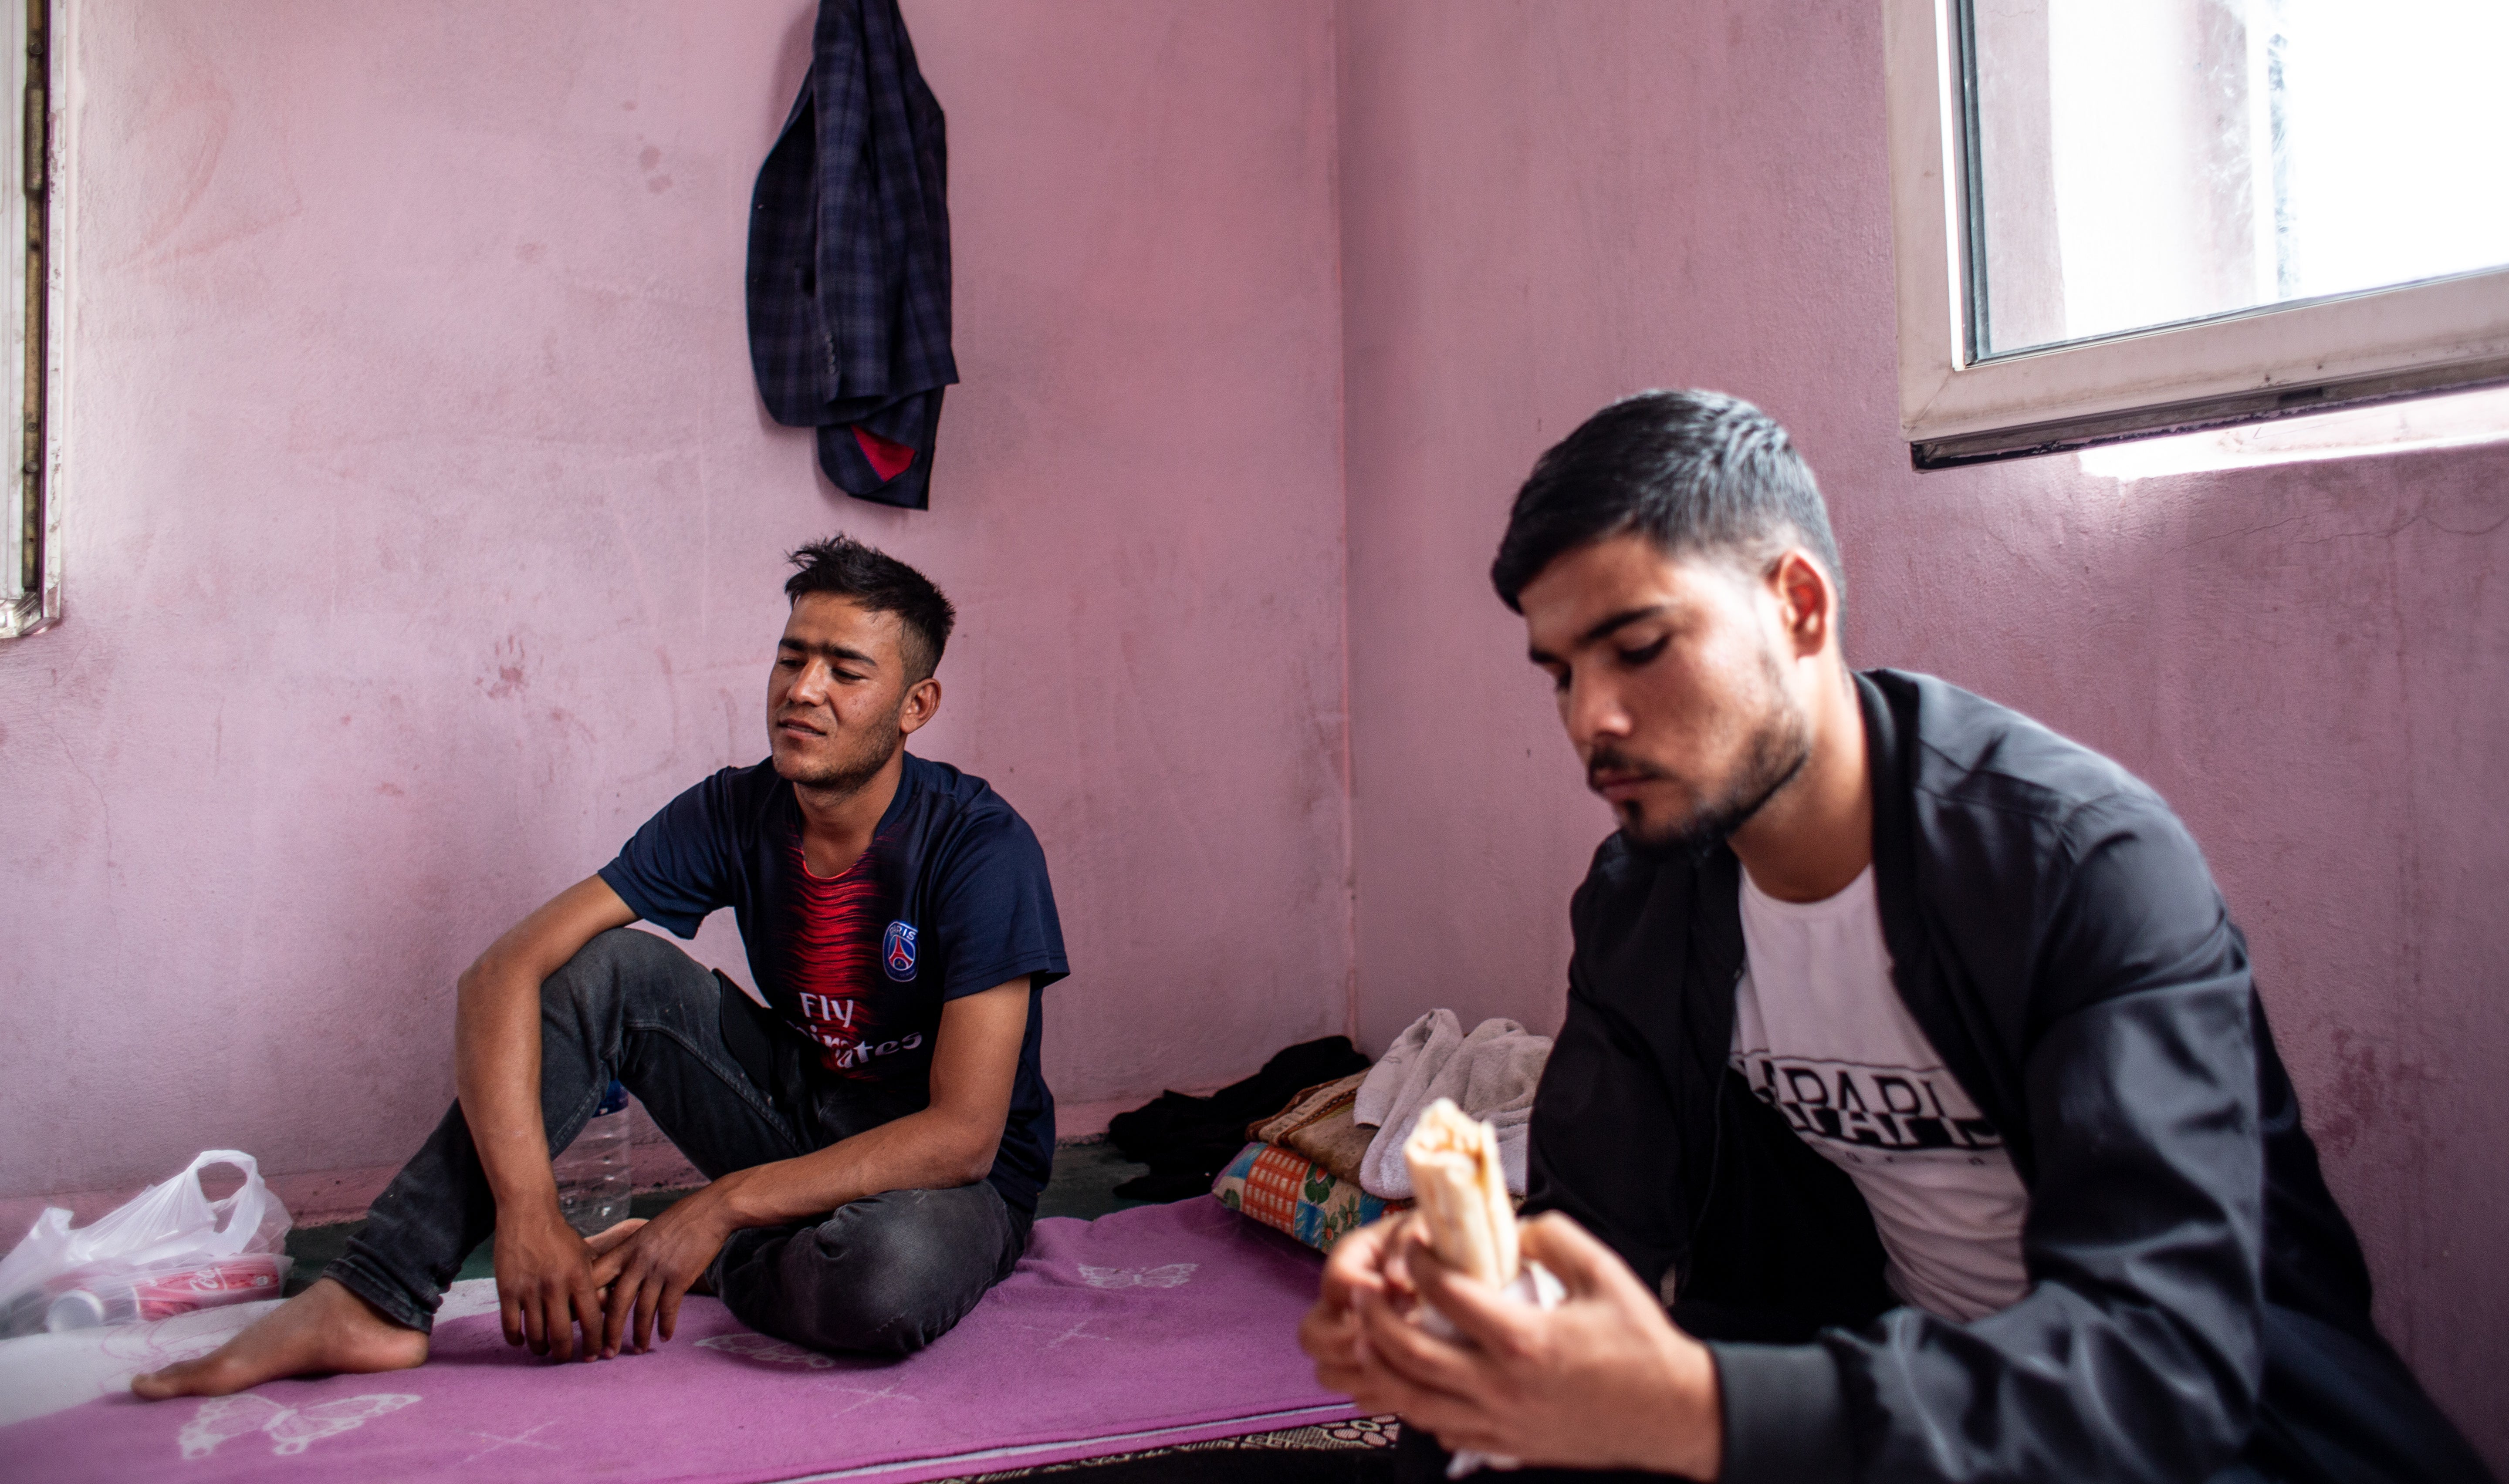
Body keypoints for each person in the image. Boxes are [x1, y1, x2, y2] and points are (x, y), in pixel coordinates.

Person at [1300, 392, 2487, 1483]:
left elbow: (2161, 1366)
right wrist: (1451, 1315)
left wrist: (1698, 1407)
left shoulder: (2078, 866)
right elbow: (1585, 1238)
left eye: (1641, 648)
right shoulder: (1648, 897)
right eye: (1560, 673)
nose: (1589, 720)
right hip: (1878, 1415)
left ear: (1798, 606)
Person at [138, 535, 1069, 1398]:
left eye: (846, 670)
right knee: (605, 969)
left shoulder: (981, 850)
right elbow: (501, 975)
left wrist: (715, 1212)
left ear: (917, 707)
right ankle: (374, 1296)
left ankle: (708, 1262)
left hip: (952, 1185)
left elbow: (963, 1137)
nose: (804, 690)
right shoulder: (732, 812)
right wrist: (530, 1210)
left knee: (884, 1282)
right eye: (793, 657)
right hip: (804, 1115)